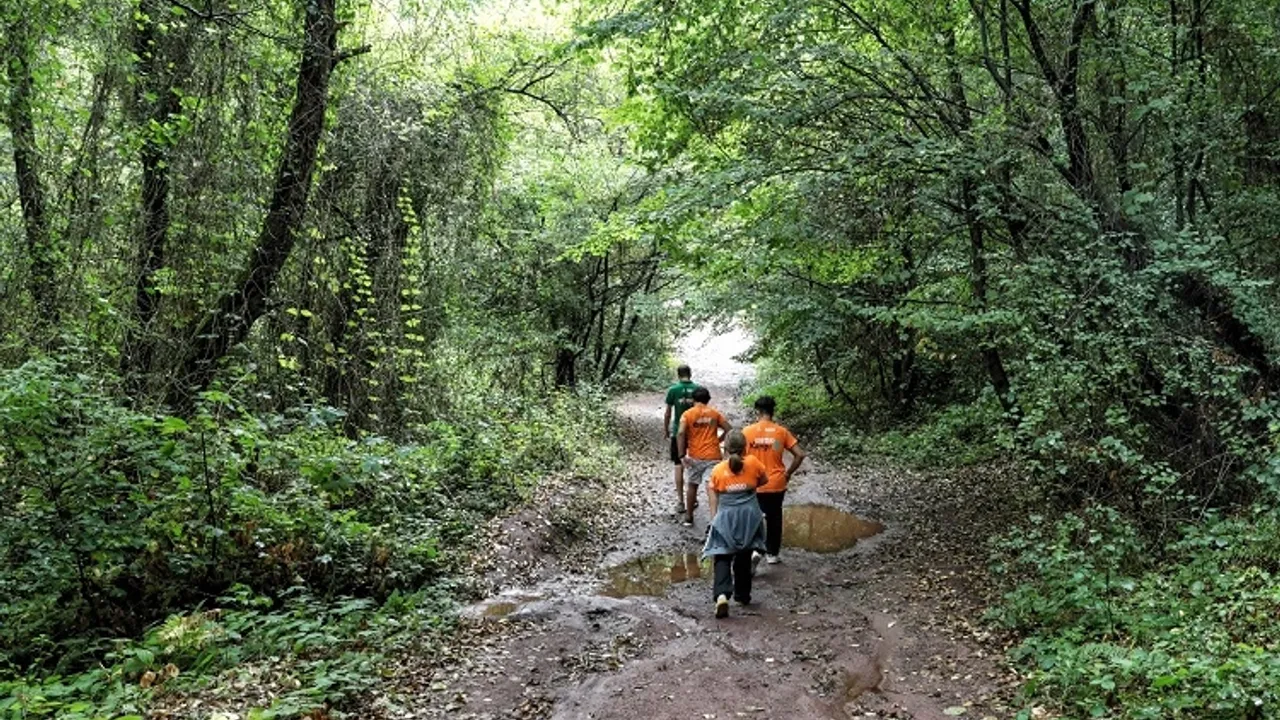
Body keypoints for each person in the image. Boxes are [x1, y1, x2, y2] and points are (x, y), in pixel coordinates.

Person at [702, 429, 768, 618]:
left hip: (727, 516)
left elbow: (713, 494)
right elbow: (763, 480)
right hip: (749, 516)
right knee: (744, 554)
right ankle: (743, 594)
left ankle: (722, 595)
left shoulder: (718, 470)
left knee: (722, 554)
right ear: (745, 447)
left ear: (726, 448)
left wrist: (714, 519)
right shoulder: (754, 463)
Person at [743, 395, 807, 566]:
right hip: (776, 482)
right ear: (773, 411)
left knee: (752, 518)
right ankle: (772, 554)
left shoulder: (747, 432)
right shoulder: (781, 432)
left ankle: (755, 549)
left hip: (753, 483)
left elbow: (738, 457)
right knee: (774, 517)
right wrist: (788, 473)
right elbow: (800, 454)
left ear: (757, 411)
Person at [676, 387, 731, 526]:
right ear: (708, 399)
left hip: (695, 455)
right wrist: (719, 440)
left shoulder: (687, 414)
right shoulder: (715, 414)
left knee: (692, 485)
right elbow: (729, 429)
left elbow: (681, 433)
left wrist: (681, 454)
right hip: (713, 455)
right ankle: (715, 519)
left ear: (693, 400)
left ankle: (689, 517)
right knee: (712, 488)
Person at [663, 365, 702, 515]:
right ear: (690, 374)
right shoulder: (698, 389)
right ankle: (693, 498)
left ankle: (680, 501)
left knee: (678, 464)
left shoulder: (673, 390)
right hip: (694, 433)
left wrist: (666, 429)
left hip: (677, 431)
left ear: (678, 374)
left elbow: (668, 413)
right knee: (693, 465)